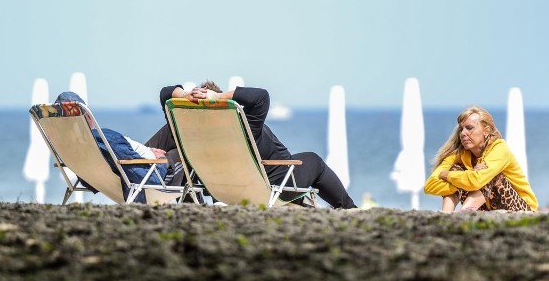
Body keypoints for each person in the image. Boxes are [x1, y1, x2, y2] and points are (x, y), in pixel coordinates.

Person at [150, 82, 357, 209]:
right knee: (313, 160)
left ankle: (304, 204)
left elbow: (165, 93)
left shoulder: (188, 132)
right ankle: (348, 208)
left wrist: (186, 96)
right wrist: (217, 97)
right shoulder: (241, 127)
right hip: (271, 186)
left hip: (222, 190)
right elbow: (261, 97)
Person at [54, 91, 173, 203]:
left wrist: (148, 151)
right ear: (87, 117)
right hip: (152, 172)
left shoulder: (71, 145)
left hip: (130, 163)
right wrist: (162, 161)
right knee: (178, 152)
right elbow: (145, 179)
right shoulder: (103, 139)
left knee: (170, 131)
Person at [424, 106, 537, 212]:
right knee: (456, 170)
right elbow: (429, 185)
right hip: (487, 210)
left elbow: (476, 181)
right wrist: (463, 179)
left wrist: (447, 175)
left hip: (522, 209)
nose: (463, 133)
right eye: (461, 129)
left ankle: (463, 214)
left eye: (469, 128)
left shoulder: (499, 148)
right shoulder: (458, 155)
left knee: (488, 176)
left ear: (486, 131)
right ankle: (446, 216)